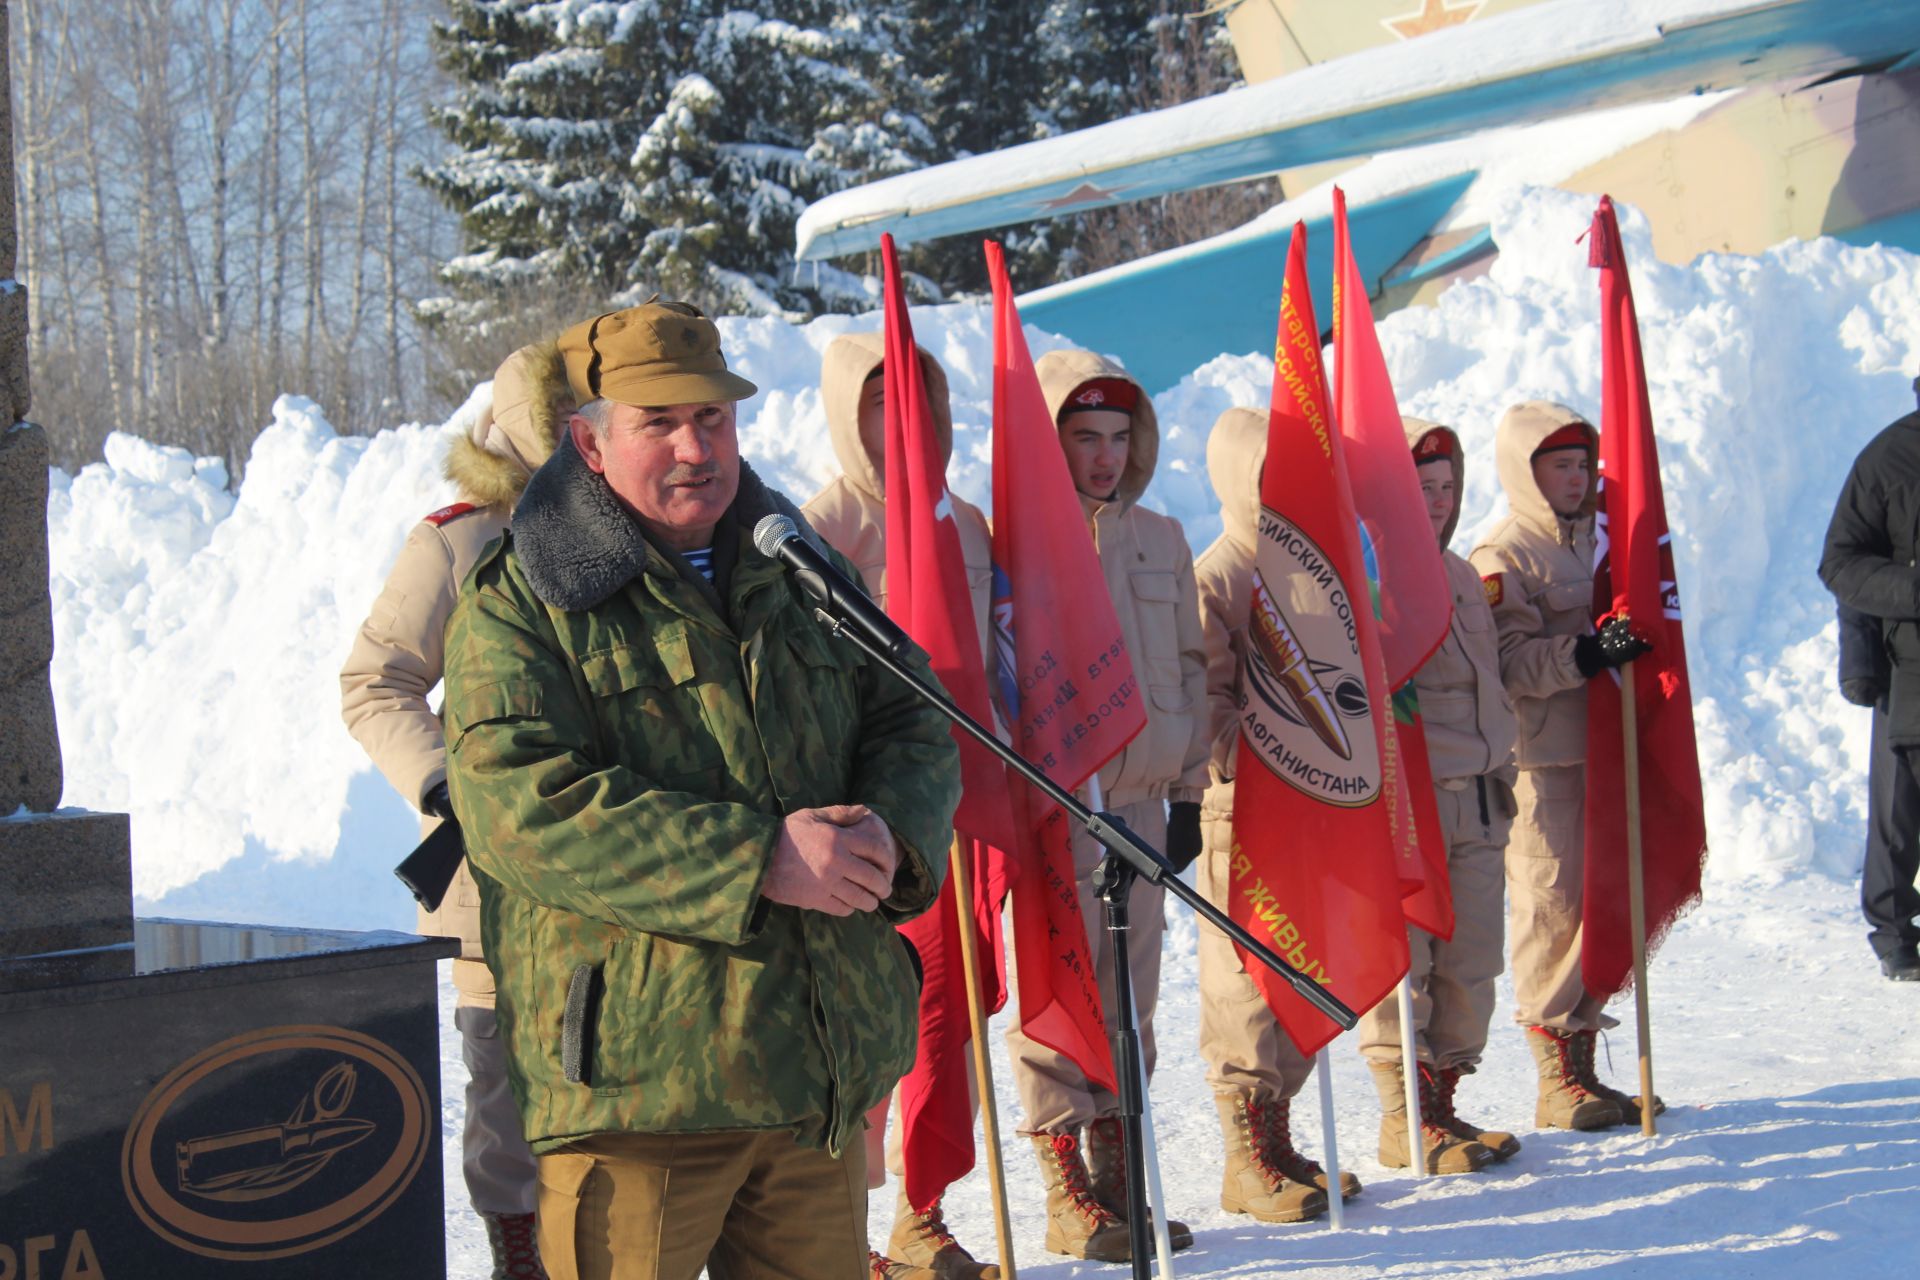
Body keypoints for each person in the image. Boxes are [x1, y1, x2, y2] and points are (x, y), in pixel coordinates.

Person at [440, 300, 963, 1280]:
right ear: (586, 442)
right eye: (659, 423)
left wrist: (891, 832)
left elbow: (914, 714)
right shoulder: (524, 598)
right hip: (643, 1096)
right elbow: (522, 807)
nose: (696, 447)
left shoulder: (794, 559)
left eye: (714, 419)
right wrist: (761, 858)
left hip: (809, 1075)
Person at [340, 340, 571, 1280]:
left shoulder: (641, 536)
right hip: (490, 870)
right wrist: (449, 787)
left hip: (609, 860)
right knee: (503, 1086)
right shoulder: (458, 538)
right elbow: (374, 681)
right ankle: (517, 1252)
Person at [802, 331, 1001, 1280]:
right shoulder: (816, 530)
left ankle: (922, 1216)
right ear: (849, 416)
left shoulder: (963, 520)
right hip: (869, 823)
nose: (903, 422)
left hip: (961, 812)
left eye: (919, 400)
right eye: (882, 402)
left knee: (943, 1020)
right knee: (873, 1025)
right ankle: (843, 1230)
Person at [1001, 349, 1207, 1263]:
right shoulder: (1016, 540)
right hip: (1056, 806)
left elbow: (1192, 670)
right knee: (1061, 990)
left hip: (1143, 803)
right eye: (1084, 437)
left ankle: (1120, 1167)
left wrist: (1193, 791)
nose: (1106, 457)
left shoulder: (1162, 539)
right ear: (1052, 441)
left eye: (1120, 437)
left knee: (1135, 994)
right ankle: (1066, 1190)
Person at [1468, 401, 1658, 1131]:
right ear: (1527, 471)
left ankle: (1584, 1054)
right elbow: (1509, 662)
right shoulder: (1505, 554)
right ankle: (1555, 1074)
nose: (1576, 479)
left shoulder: (1604, 542)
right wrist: (1583, 655)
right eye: (1560, 465)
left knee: (1600, 902)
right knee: (1552, 904)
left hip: (1608, 749)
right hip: (1544, 759)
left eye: (1583, 465)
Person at [1190, 407, 1345, 1229]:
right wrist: (1265, 761)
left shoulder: (1307, 575)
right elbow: (1207, 706)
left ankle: (1280, 1139)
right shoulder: (1217, 577)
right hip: (1242, 814)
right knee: (1245, 979)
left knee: (1298, 973)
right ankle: (1245, 1156)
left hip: (1310, 814)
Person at [1354, 418, 1522, 1175]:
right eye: (1422, 488)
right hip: (1411, 802)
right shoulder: (1370, 581)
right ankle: (1405, 1118)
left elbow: (1494, 678)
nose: (1439, 502)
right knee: (1407, 961)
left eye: (1449, 488)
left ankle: (1445, 1100)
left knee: (1472, 962)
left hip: (1481, 799)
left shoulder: (1458, 574)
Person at [1818, 377, 1920, 982]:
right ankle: (1894, 934)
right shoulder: (1890, 457)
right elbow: (1842, 562)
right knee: (1899, 812)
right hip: (1909, 666)